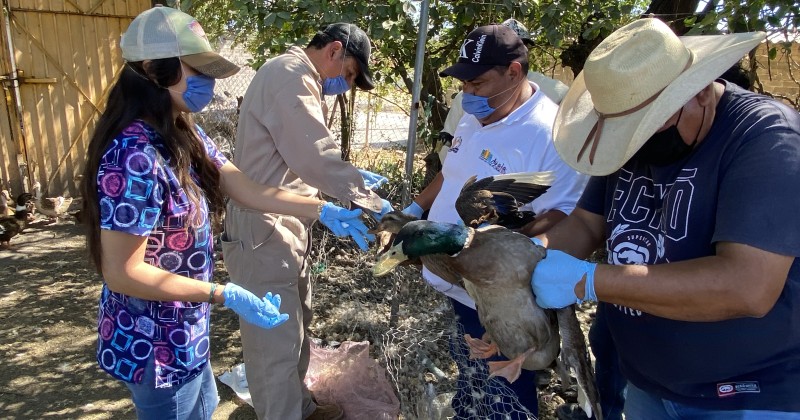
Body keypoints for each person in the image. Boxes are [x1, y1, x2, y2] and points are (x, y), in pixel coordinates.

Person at [80, 6, 373, 419]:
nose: (208, 83)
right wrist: (221, 293)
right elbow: (122, 271)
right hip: (154, 341)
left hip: (187, 331)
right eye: (196, 69)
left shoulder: (182, 129)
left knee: (206, 405)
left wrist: (320, 208)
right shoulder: (134, 156)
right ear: (154, 70)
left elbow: (240, 184)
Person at [531, 17, 800, 418]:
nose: (635, 148)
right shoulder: (627, 142)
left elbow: (748, 286)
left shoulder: (765, 139)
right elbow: (587, 224)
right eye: (625, 136)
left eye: (649, 131)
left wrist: (590, 280)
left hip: (746, 394)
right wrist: (520, 261)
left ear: (702, 92)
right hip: (648, 383)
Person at [402, 24, 588, 418]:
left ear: (515, 73)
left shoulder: (553, 135)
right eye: (464, 83)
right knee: (471, 378)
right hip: (455, 283)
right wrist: (414, 210)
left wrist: (489, 245)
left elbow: (563, 214)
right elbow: (450, 171)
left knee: (505, 394)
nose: (468, 94)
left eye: (478, 83)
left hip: (496, 294)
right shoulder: (474, 115)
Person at [222, 22, 391, 420]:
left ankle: (298, 408)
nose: (346, 85)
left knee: (296, 329)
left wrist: (344, 182)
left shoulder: (299, 77)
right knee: (274, 343)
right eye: (349, 74)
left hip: (284, 222)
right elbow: (314, 154)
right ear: (334, 50)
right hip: (263, 226)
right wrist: (369, 198)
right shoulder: (290, 75)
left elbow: (301, 156)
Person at [437, 19, 569, 166]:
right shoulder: (468, 101)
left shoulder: (556, 95)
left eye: (477, 83)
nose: (470, 90)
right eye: (467, 83)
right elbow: (449, 146)